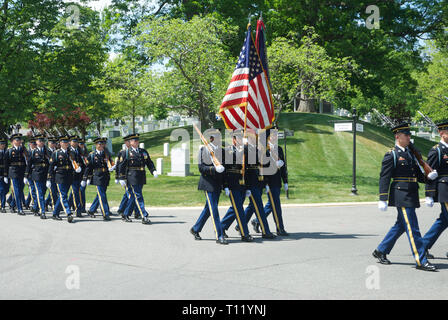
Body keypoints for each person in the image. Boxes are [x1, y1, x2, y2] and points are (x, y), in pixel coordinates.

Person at [373, 123, 438, 271]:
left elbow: (416, 174)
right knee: (413, 228)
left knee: (401, 225)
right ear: (397, 136)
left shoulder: (410, 154)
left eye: (409, 135)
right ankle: (421, 260)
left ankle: (381, 250)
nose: (409, 137)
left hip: (411, 193)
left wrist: (429, 178)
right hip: (401, 195)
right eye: (406, 135)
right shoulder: (392, 154)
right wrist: (382, 198)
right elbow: (384, 177)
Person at [190, 133, 228, 245]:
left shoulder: (222, 151)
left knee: (208, 209)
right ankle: (219, 235)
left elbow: (224, 169)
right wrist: (214, 169)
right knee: (214, 210)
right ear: (211, 139)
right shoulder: (204, 150)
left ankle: (195, 229)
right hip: (208, 183)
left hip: (217, 184)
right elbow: (201, 168)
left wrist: (225, 185)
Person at [251, 129, 289, 236]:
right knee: (276, 205)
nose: (275, 137)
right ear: (268, 138)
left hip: (277, 181)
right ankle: (280, 228)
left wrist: (285, 181)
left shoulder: (279, 149)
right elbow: (263, 168)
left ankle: (256, 221)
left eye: (276, 135)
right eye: (273, 136)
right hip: (270, 181)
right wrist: (266, 183)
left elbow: (283, 167)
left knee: (272, 204)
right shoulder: (264, 151)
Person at [220, 131, 254, 242]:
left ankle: (221, 227)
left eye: (242, 138)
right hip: (232, 183)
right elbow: (226, 169)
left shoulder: (245, 151)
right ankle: (245, 234)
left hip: (242, 183)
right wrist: (225, 185)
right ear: (234, 139)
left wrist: (248, 186)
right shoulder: (228, 150)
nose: (240, 140)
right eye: (239, 138)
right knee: (239, 209)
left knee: (235, 208)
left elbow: (248, 167)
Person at [118, 133, 157, 224]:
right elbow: (121, 166)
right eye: (134, 140)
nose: (136, 142)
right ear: (130, 142)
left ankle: (125, 214)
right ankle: (144, 216)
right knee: (138, 196)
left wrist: (153, 170)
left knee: (133, 197)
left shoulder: (143, 151)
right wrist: (121, 178)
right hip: (132, 176)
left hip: (141, 175)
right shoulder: (126, 152)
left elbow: (149, 162)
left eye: (137, 140)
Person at [423, 121, 448, 259]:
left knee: (443, 221)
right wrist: (429, 194)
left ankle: (423, 246)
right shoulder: (436, 150)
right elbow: (429, 174)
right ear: (441, 133)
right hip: (444, 190)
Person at [47, 135, 80, 222]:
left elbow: (75, 162)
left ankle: (55, 213)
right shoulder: (56, 153)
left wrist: (77, 167)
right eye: (64, 142)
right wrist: (49, 178)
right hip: (60, 176)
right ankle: (68, 213)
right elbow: (51, 167)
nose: (66, 144)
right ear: (60, 143)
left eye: (67, 142)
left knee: (62, 196)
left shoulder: (71, 153)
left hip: (69, 176)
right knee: (63, 195)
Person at [81, 137, 114, 221]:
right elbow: (88, 168)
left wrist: (113, 167)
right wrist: (85, 178)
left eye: (103, 144)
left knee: (100, 194)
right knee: (102, 195)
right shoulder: (92, 155)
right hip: (97, 176)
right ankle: (105, 213)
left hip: (106, 176)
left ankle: (92, 210)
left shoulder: (106, 153)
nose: (101, 145)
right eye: (99, 144)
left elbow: (111, 163)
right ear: (96, 145)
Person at [25, 134, 50, 219]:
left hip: (45, 174)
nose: (42, 142)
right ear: (36, 142)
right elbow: (29, 164)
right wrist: (26, 175)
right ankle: (42, 211)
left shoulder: (47, 151)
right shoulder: (33, 152)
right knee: (40, 193)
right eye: (40, 141)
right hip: (36, 174)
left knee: (42, 192)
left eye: (43, 141)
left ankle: (35, 208)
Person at [116, 135, 139, 218]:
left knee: (129, 194)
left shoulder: (136, 152)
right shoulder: (123, 152)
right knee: (132, 194)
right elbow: (119, 166)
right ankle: (135, 211)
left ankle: (122, 209)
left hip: (133, 176)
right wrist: (118, 177)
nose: (129, 142)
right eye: (128, 141)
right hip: (126, 177)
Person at [4, 133, 27, 215]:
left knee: (20, 190)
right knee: (17, 190)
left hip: (22, 172)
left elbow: (26, 162)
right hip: (13, 172)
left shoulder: (23, 150)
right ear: (13, 141)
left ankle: (12, 203)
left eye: (19, 140)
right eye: (17, 140)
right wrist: (5, 175)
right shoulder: (9, 151)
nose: (19, 141)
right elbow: (6, 164)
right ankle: (20, 209)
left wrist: (26, 174)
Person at [68, 135, 85, 217]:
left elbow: (83, 161)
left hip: (79, 174)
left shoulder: (79, 150)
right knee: (76, 192)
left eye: (76, 141)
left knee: (76, 192)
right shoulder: (68, 151)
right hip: (72, 175)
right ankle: (78, 210)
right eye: (74, 141)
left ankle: (66, 205)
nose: (75, 143)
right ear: (70, 142)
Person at [45, 136, 59, 211]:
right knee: (53, 190)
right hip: (49, 173)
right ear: (48, 143)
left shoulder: (57, 151)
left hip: (56, 173)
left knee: (55, 190)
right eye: (52, 143)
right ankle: (54, 206)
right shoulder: (46, 151)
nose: (53, 144)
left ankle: (46, 203)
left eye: (54, 143)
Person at [0, 137, 9, 213]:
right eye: (1, 144)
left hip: (6, 174)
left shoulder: (7, 152)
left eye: (4, 144)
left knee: (6, 189)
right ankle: (2, 206)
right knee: (2, 190)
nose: (3, 145)